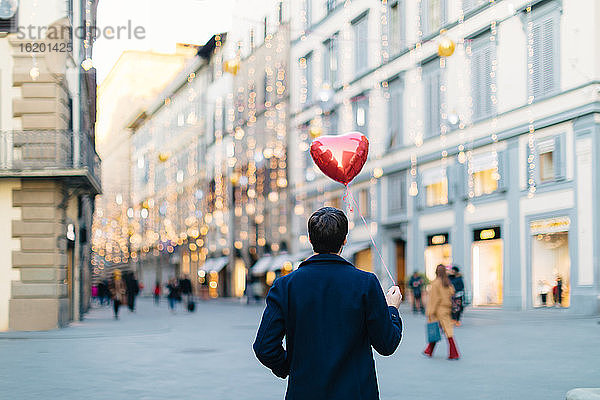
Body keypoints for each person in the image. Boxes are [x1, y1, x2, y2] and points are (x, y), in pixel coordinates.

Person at [253, 207, 403, 400]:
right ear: (344, 240)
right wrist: (392, 309)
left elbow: (264, 346)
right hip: (356, 393)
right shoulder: (366, 283)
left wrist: (290, 367)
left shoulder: (285, 286)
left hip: (304, 392)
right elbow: (387, 344)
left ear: (310, 239)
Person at [423, 264, 460, 360]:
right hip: (446, 309)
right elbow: (452, 292)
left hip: (437, 310)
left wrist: (430, 312)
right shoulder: (447, 282)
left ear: (436, 271)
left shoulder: (436, 283)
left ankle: (454, 353)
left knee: (436, 329)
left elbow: (434, 299)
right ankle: (429, 350)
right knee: (446, 330)